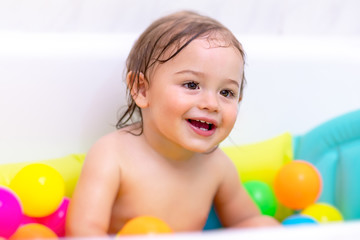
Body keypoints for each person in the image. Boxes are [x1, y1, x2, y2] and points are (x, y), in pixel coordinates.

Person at [66, 10, 279, 236]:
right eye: (191, 84)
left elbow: (248, 222)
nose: (212, 103)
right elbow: (83, 231)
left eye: (226, 92)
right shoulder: (113, 155)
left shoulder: (218, 166)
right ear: (142, 89)